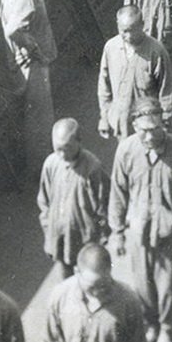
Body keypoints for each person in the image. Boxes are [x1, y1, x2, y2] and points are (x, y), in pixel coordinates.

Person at [109, 101, 172, 342]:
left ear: (164, 124)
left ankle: (168, 329)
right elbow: (118, 193)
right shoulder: (126, 151)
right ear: (134, 126)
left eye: (155, 129)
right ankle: (150, 324)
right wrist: (117, 232)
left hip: (170, 235)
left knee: (170, 286)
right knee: (142, 284)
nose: (149, 136)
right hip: (139, 233)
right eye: (143, 130)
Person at [0, 0, 57, 174]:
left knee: (33, 118)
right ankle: (44, 171)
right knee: (41, 122)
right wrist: (35, 49)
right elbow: (14, 30)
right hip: (33, 66)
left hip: (22, 64)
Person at [38, 118, 109, 279]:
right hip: (61, 238)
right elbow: (44, 201)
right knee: (66, 283)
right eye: (58, 149)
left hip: (86, 238)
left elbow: (104, 204)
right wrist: (48, 228)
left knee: (90, 279)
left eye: (67, 148)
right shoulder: (51, 164)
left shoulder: (92, 167)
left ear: (79, 142)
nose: (62, 154)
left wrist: (102, 236)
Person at [97, 5, 172, 138]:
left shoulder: (156, 51)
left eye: (132, 30)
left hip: (148, 125)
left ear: (142, 25)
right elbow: (104, 86)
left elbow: (167, 91)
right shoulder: (111, 48)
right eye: (123, 31)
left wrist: (165, 123)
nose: (128, 36)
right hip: (121, 122)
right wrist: (104, 117)